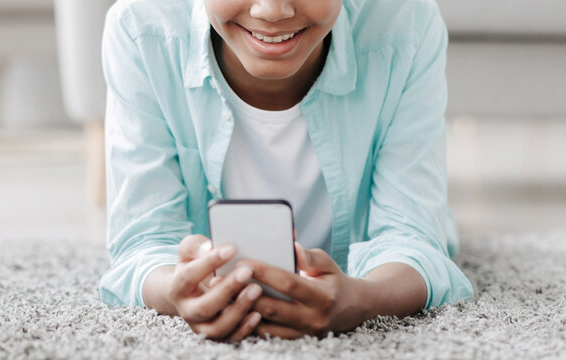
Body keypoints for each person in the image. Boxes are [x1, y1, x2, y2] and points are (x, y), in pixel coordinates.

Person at [98, 0, 475, 341]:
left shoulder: (406, 23)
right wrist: (174, 291)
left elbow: (413, 239)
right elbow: (142, 244)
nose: (271, 11)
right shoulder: (140, 29)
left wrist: (361, 299)